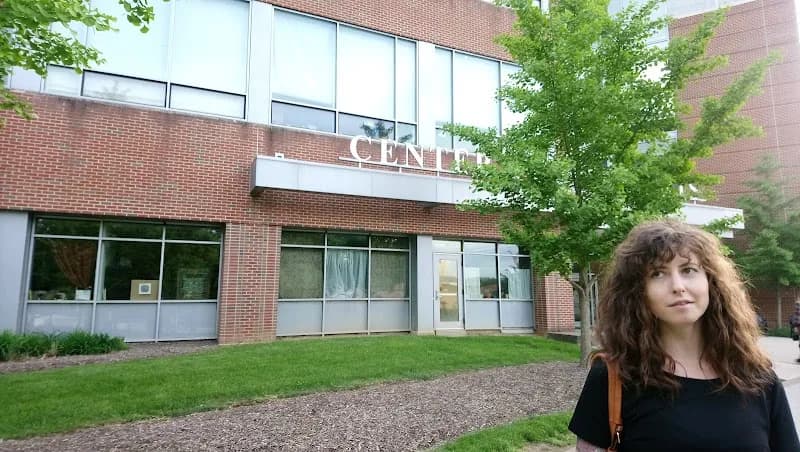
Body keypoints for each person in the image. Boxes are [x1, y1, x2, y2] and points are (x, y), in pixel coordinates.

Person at [569, 220, 799, 451]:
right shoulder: (614, 376)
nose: (677, 286)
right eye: (658, 273)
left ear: (711, 282)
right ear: (636, 292)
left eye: (688, 270)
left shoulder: (758, 377)